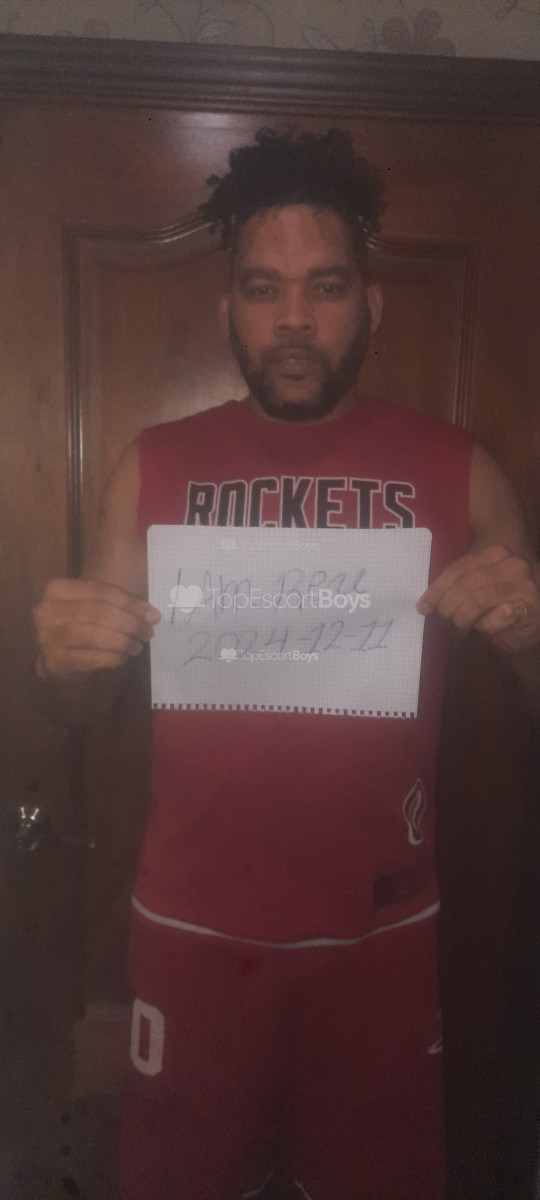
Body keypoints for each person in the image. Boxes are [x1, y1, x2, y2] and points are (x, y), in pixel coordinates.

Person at [33, 128, 540, 1200]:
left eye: (327, 287)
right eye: (264, 289)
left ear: (373, 306)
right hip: (192, 930)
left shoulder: (461, 471)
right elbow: (82, 707)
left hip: (381, 934)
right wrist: (68, 664)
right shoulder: (152, 466)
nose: (295, 319)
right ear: (230, 307)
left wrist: (530, 636)